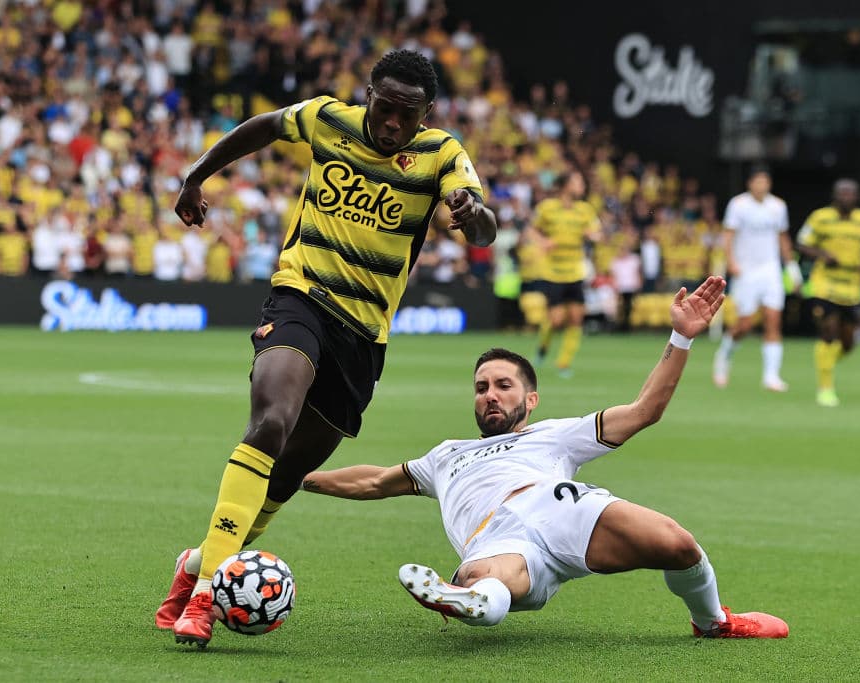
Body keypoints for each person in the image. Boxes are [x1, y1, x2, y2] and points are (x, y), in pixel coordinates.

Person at [156, 49, 497, 648]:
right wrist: (196, 174)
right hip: (300, 298)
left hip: (362, 336)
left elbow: (484, 228)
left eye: (407, 115)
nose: (392, 124)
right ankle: (208, 591)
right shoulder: (328, 120)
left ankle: (199, 561)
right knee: (270, 423)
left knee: (287, 474)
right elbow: (264, 126)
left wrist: (473, 215)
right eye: (384, 108)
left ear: (427, 113)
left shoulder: (442, 153)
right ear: (368, 94)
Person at [301, 277, 788, 639]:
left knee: (678, 544)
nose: (490, 395)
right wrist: (301, 475)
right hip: (497, 535)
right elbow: (372, 482)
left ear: (529, 400)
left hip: (562, 509)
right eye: (481, 388)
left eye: (503, 386)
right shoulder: (446, 456)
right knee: (490, 581)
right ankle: (465, 599)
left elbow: (645, 411)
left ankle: (714, 622)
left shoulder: (556, 434)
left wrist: (681, 337)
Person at [712, 169, 801, 392]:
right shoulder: (738, 205)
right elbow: (729, 235)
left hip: (770, 271)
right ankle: (724, 355)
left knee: (773, 320)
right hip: (746, 271)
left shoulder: (778, 206)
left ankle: (771, 376)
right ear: (750, 183)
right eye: (758, 182)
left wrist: (791, 268)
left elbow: (783, 237)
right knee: (745, 324)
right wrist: (731, 262)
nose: (761, 186)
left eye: (765, 182)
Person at [796, 179, 860, 407]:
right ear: (834, 195)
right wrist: (823, 254)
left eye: (851, 193)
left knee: (848, 343)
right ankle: (825, 388)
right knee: (828, 331)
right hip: (825, 284)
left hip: (851, 287)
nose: (847, 196)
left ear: (857, 196)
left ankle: (827, 362)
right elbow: (802, 243)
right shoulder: (820, 217)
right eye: (843, 192)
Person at [530, 170, 602, 377]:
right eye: (578, 181)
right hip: (552, 272)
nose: (582, 186)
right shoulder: (547, 208)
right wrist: (543, 242)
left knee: (576, 318)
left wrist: (593, 235)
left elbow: (597, 231)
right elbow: (532, 230)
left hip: (575, 271)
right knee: (555, 320)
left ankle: (563, 363)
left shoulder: (585, 210)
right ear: (565, 185)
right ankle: (543, 348)